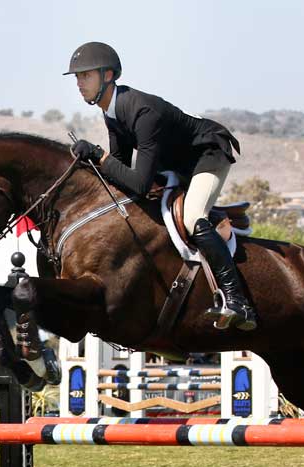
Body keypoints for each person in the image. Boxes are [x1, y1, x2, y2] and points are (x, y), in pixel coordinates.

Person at [64, 41, 254, 330]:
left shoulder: (141, 111)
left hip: (207, 155)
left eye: (85, 75)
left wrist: (99, 155)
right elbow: (118, 166)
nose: (79, 83)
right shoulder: (112, 112)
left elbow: (138, 183)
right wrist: (90, 163)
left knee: (192, 218)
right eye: (77, 77)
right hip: (176, 164)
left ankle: (237, 300)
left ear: (108, 75)